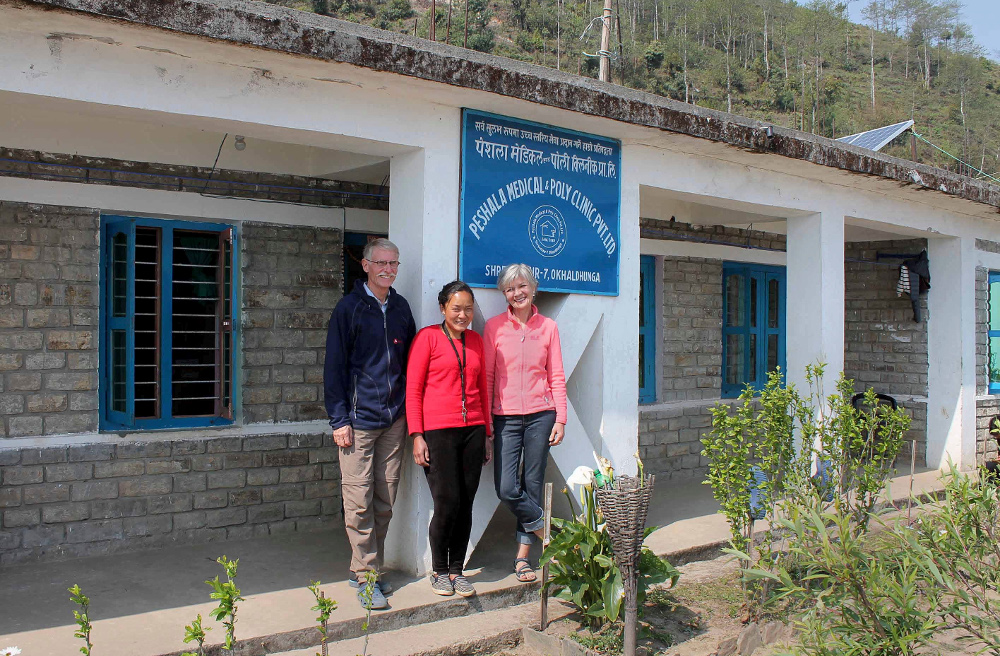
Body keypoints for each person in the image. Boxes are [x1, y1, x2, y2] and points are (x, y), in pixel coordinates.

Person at [324, 238, 416, 610]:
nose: (388, 269)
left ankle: (362, 566)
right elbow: (334, 367)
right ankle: (367, 577)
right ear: (365, 265)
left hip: (394, 420)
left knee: (385, 500)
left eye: (393, 263)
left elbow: (410, 363)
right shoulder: (348, 309)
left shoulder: (401, 307)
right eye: (381, 263)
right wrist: (338, 419)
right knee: (358, 500)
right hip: (358, 423)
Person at [406, 280, 492, 598]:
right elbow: (413, 391)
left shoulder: (476, 341)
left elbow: (482, 388)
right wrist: (417, 435)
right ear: (443, 308)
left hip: (473, 431)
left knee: (466, 502)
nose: (463, 314)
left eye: (468, 309)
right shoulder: (427, 338)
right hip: (438, 432)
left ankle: (458, 569)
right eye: (456, 308)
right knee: (447, 502)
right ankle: (439, 571)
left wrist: (487, 433)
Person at [483, 264, 567, 584]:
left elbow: (555, 375)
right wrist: (488, 426)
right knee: (506, 487)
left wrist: (560, 417)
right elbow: (489, 377)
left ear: (533, 288)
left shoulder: (548, 327)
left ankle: (522, 559)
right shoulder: (494, 327)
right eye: (509, 289)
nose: (516, 293)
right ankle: (546, 529)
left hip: (541, 415)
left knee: (532, 484)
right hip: (505, 416)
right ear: (504, 294)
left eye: (522, 286)